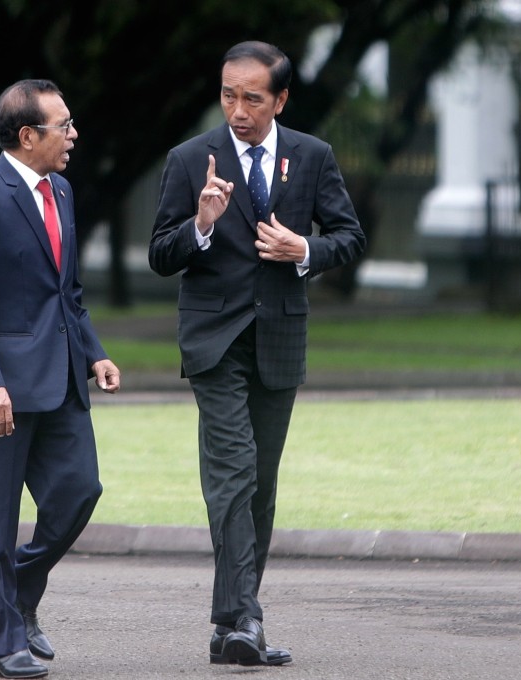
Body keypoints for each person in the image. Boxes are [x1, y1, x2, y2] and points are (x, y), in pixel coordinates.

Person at [148, 41, 366, 667]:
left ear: (280, 99)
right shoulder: (192, 159)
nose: (237, 109)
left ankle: (231, 629)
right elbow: (161, 253)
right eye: (227, 95)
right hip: (214, 342)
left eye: (252, 97)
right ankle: (242, 616)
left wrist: (305, 250)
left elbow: (349, 237)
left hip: (279, 339)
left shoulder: (312, 156)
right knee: (233, 472)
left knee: (260, 485)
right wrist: (202, 225)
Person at [0, 79, 121, 679]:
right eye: (62, 126)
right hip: (0, 388)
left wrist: (95, 353)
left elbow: (67, 290)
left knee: (80, 490)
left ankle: (16, 589)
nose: (73, 135)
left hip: (63, 377)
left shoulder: (63, 191)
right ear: (28, 136)